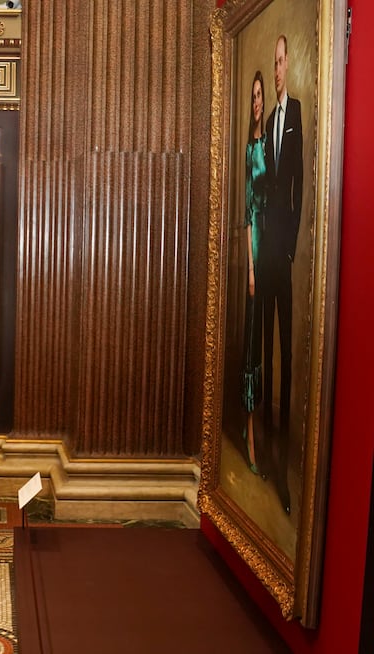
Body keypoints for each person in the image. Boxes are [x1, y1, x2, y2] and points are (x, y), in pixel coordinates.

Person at [262, 34, 303, 515]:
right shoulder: (269, 119)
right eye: (271, 63)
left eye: (280, 62)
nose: (276, 70)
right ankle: (268, 455)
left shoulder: (294, 116)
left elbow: (300, 184)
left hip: (284, 253)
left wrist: (290, 250)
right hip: (264, 254)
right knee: (266, 351)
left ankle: (286, 463)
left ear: (289, 64)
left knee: (287, 355)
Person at [240, 71, 266, 477]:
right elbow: (247, 215)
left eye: (262, 95)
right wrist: (249, 266)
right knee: (250, 342)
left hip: (275, 241)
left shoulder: (273, 145)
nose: (258, 101)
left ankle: (260, 426)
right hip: (256, 244)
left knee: (265, 344)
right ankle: (248, 432)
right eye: (255, 95)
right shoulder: (250, 150)